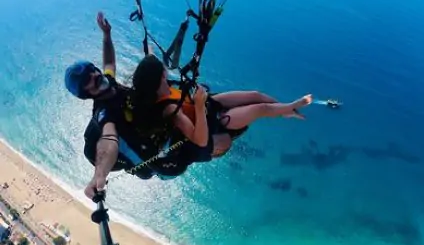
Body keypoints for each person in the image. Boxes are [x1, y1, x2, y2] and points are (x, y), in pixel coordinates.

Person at [64, 12, 212, 199]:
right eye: (89, 80)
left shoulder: (109, 82)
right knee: (219, 141)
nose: (95, 75)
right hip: (162, 154)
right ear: (87, 94)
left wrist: (107, 35)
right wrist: (99, 176)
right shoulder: (104, 112)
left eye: (93, 71)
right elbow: (108, 141)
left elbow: (109, 62)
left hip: (160, 127)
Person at [131, 54, 313, 160]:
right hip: (212, 124)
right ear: (160, 77)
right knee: (259, 109)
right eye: (163, 70)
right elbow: (199, 140)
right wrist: (200, 106)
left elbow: (149, 61)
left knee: (255, 95)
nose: (166, 70)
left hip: (209, 104)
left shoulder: (160, 88)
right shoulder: (168, 109)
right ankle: (291, 107)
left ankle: (285, 111)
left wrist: (202, 103)